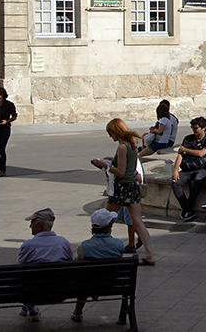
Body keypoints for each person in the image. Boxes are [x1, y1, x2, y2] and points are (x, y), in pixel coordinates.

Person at [92, 119, 156, 264]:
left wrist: (103, 165)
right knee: (138, 221)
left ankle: (101, 250)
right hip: (133, 187)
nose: (110, 136)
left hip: (122, 188)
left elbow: (120, 172)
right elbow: (129, 167)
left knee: (105, 219)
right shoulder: (132, 145)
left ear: (116, 131)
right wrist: (112, 160)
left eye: (110, 133)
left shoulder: (121, 147)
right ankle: (149, 254)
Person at [16, 206, 74, 320]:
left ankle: (30, 307)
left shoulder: (29, 245)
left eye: (32, 223)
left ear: (39, 225)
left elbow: (19, 268)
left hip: (33, 291)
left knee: (23, 279)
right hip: (60, 291)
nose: (30, 226)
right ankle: (28, 308)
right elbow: (70, 263)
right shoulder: (64, 243)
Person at [71, 209, 128, 323]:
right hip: (112, 283)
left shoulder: (84, 246)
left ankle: (78, 312)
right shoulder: (118, 244)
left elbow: (77, 263)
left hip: (88, 283)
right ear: (109, 226)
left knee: (85, 279)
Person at [172, 117, 206, 221]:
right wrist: (175, 170)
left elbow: (201, 153)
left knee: (197, 181)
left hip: (203, 168)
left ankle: (187, 210)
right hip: (188, 168)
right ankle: (187, 209)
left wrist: (186, 150)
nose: (194, 130)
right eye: (192, 127)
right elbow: (180, 155)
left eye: (196, 128)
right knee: (175, 183)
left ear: (203, 128)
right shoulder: (188, 139)